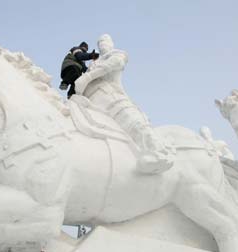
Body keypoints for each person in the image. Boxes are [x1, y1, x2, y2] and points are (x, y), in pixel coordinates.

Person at [74, 34, 174, 174]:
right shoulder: (94, 63)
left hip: (111, 96)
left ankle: (156, 152)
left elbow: (115, 64)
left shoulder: (116, 55)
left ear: (111, 43)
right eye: (100, 43)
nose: (102, 45)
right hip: (91, 101)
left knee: (130, 120)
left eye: (104, 41)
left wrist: (88, 77)